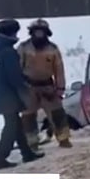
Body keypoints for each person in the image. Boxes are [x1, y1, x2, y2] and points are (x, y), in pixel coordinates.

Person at [0, 19, 45, 170]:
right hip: (9, 94)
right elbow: (14, 76)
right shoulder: (8, 51)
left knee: (15, 124)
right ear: (12, 32)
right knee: (11, 127)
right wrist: (26, 86)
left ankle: (27, 153)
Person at [18, 18, 73, 149]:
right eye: (36, 32)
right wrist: (18, 88)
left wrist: (60, 89)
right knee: (28, 116)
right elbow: (17, 68)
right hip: (28, 87)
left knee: (57, 113)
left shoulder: (53, 49)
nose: (39, 35)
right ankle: (32, 142)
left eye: (41, 32)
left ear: (46, 33)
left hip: (48, 87)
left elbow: (59, 70)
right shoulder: (23, 48)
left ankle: (63, 138)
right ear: (32, 33)